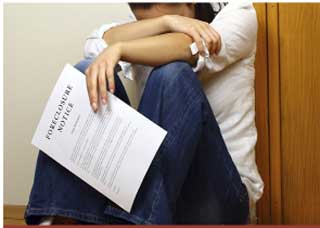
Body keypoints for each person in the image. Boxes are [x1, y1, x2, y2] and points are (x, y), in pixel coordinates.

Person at [25, 2, 264, 225]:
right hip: (155, 195)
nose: (162, 35)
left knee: (172, 73)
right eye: (159, 29)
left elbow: (188, 48)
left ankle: (136, 220)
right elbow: (93, 43)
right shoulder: (147, 23)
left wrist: (120, 48)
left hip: (219, 197)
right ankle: (57, 219)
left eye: (175, 20)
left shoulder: (237, 12)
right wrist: (167, 22)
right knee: (87, 72)